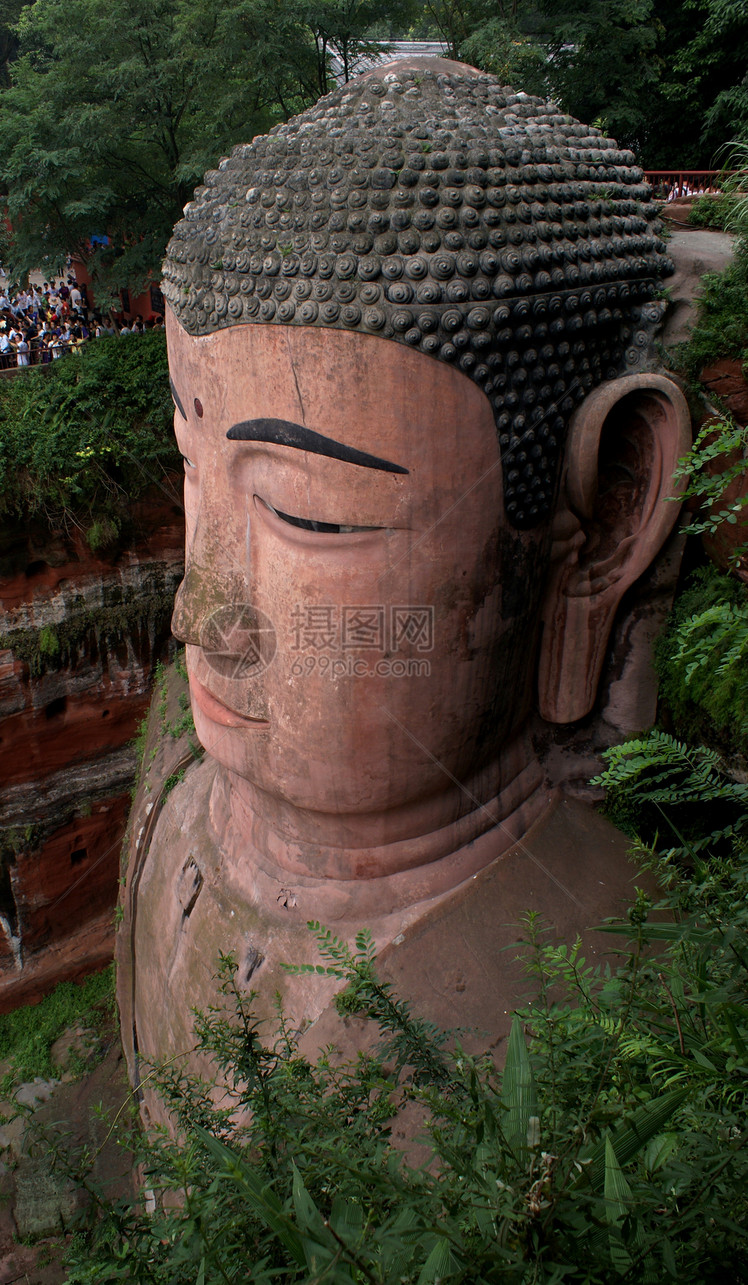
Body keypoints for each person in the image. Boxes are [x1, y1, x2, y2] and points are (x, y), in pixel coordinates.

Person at [118, 58, 693, 1122]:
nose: (198, 616)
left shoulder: (604, 1009)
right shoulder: (171, 782)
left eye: (307, 512)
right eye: (189, 475)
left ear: (604, 519)